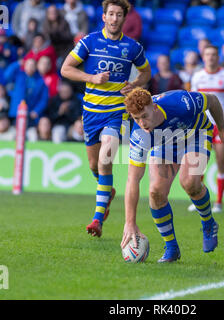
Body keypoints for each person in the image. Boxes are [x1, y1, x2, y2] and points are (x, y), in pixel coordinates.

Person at [61, 0, 151, 238]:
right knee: (94, 165)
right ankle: (107, 192)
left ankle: (97, 219)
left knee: (105, 160)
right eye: (110, 14)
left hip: (117, 114)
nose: (114, 19)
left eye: (119, 15)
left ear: (124, 19)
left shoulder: (132, 47)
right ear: (104, 17)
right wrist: (91, 77)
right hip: (91, 113)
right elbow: (66, 69)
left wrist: (134, 84)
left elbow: (146, 72)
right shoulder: (89, 42)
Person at [120, 87, 224, 262]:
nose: (142, 123)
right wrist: (130, 222)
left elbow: (211, 100)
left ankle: (209, 223)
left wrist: (223, 128)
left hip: (196, 135)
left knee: (189, 182)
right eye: (136, 118)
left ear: (154, 107)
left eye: (145, 116)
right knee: (155, 192)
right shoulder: (139, 135)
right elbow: (132, 179)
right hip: (165, 145)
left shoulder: (181, 102)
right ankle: (172, 248)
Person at [189, 45, 224, 213]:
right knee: (200, 164)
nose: (210, 57)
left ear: (218, 57)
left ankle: (218, 202)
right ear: (203, 57)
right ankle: (198, 201)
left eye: (213, 54)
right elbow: (193, 101)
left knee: (220, 162)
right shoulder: (197, 76)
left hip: (221, 125)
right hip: (202, 125)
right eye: (207, 54)